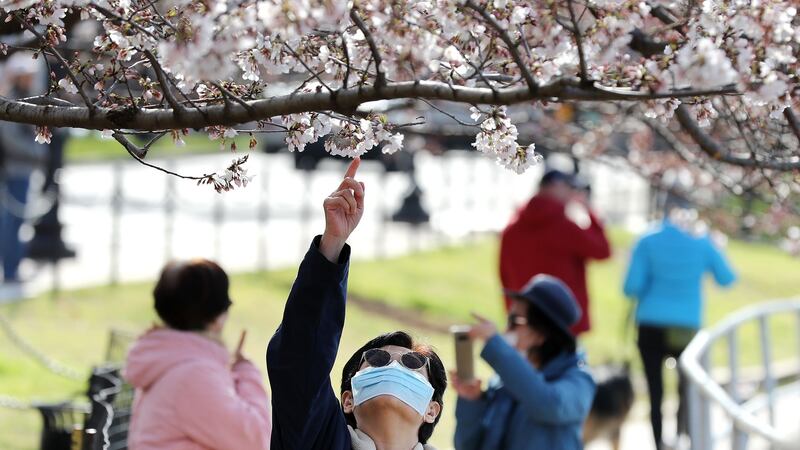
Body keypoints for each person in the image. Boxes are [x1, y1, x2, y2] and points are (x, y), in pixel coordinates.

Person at [267, 158, 447, 450]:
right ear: (348, 400)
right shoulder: (316, 441)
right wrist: (332, 245)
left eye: (413, 363)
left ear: (431, 409)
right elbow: (300, 358)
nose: (394, 367)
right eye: (377, 359)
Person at [624, 200, 737, 450]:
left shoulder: (647, 240)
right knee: (685, 389)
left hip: (650, 324)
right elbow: (727, 278)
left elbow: (631, 287)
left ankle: (658, 443)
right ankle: (679, 438)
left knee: (655, 389)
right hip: (686, 327)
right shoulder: (702, 242)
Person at [125, 259, 271, 450]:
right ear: (218, 317)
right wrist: (247, 373)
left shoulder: (168, 359)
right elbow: (256, 440)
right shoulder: (193, 376)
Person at [452, 274, 596, 450]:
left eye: (515, 321)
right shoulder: (503, 379)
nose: (506, 329)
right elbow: (467, 447)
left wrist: (495, 345)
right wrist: (472, 401)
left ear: (542, 333)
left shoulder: (579, 381)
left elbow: (547, 404)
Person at [500, 169, 611, 336]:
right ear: (555, 186)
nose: (571, 194)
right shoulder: (565, 228)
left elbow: (504, 274)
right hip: (563, 318)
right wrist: (590, 211)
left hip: (526, 317)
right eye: (569, 187)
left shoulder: (513, 228)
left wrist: (514, 311)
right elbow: (603, 251)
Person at [0, 52, 49, 284]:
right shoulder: (10, 101)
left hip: (23, 169)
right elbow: (11, 140)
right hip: (14, 170)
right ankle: (10, 270)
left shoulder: (23, 99)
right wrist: (38, 152)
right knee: (12, 221)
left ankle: (13, 267)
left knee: (16, 221)